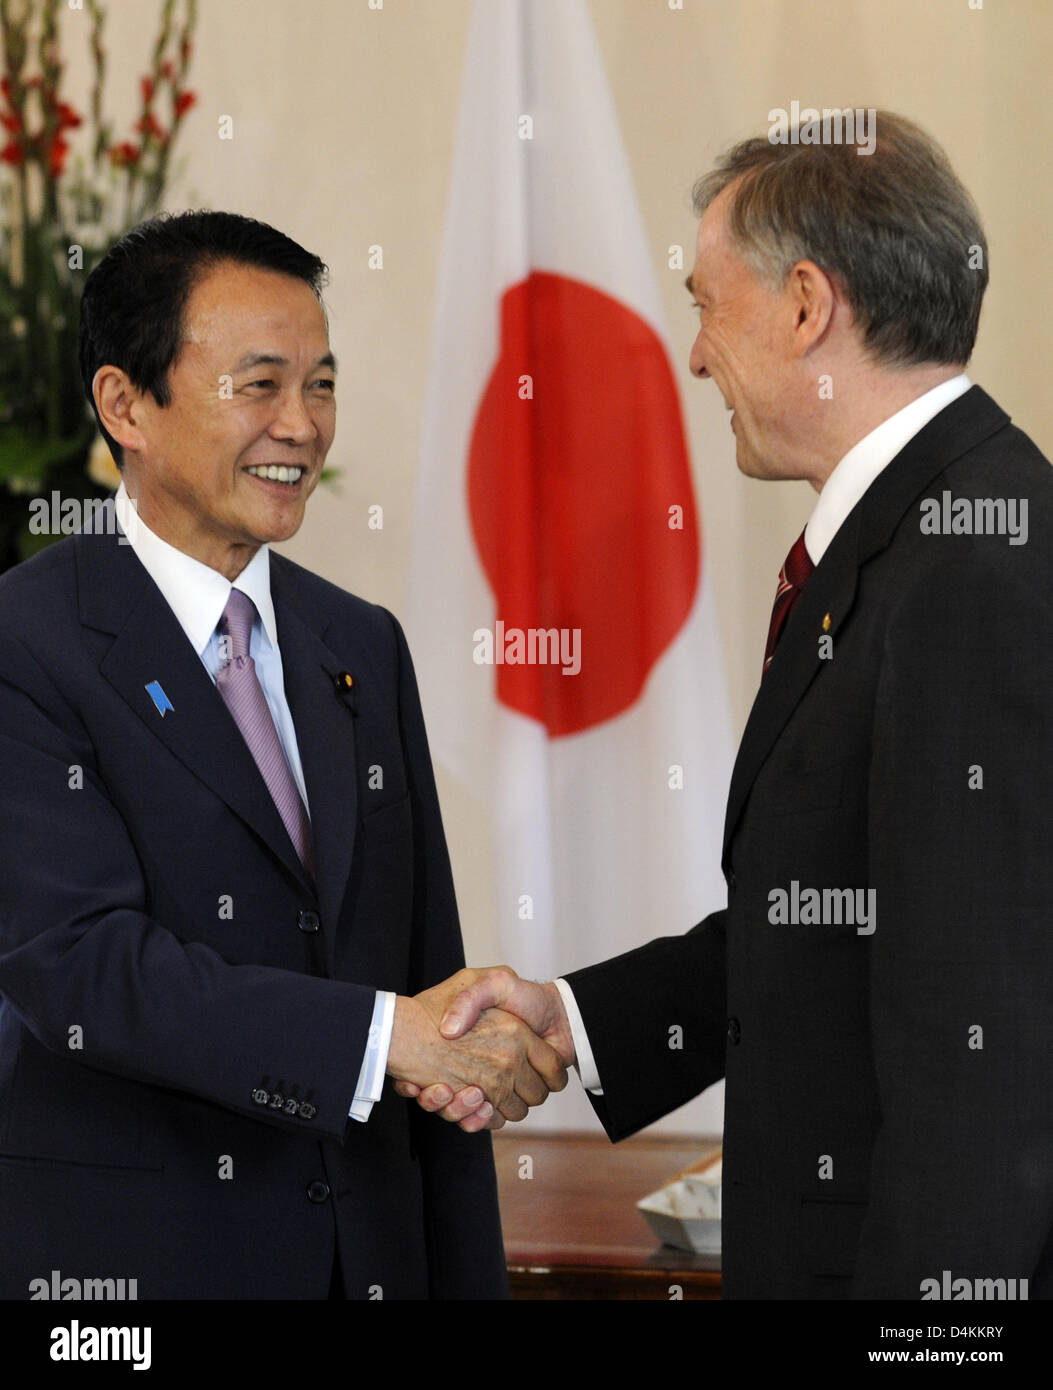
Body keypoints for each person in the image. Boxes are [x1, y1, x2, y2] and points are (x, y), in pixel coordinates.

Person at [399, 111, 1053, 1300]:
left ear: (808, 306)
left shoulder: (974, 569)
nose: (695, 356)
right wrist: (574, 1018)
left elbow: (986, 1054)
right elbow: (844, 922)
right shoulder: (910, 538)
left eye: (706, 301)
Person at [0, 210, 567, 1300]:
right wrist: (377, 1038)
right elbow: (81, 968)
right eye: (259, 385)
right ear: (127, 405)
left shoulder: (358, 644)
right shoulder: (30, 642)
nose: (301, 427)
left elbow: (425, 985)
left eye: (322, 385)